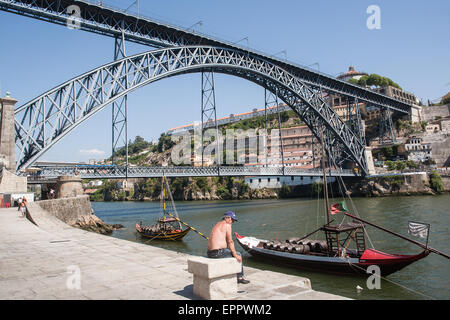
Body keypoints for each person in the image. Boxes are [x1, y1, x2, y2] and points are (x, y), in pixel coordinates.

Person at [207, 211, 250, 284]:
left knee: (228, 251)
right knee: (239, 254)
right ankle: (240, 277)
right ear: (227, 218)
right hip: (217, 253)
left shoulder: (217, 224)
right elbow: (230, 242)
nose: (232, 222)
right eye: (232, 220)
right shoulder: (227, 225)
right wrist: (236, 255)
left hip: (210, 253)